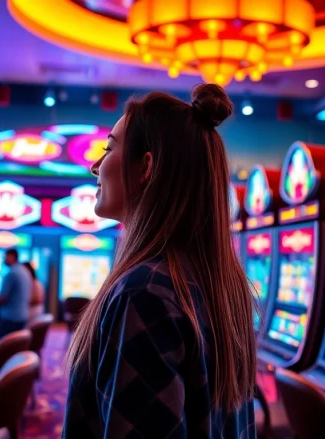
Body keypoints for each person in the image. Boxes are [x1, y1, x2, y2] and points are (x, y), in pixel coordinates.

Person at [63, 84, 256, 438]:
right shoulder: (226, 284)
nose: (94, 166)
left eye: (109, 148)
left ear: (146, 167)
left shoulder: (144, 291)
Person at [0, 249, 32, 339]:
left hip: (10, 317)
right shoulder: (25, 271)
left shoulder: (12, 273)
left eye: (5, 257)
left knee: (1, 344)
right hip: (22, 316)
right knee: (15, 344)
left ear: (12, 257)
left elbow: (2, 297)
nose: (4, 259)